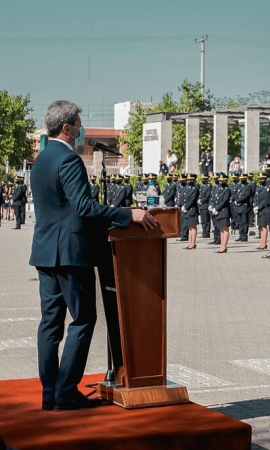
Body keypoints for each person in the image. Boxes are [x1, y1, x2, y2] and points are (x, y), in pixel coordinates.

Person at [30, 100, 156, 411]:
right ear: (67, 127)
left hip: (45, 251)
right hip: (70, 252)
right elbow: (83, 208)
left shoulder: (42, 158)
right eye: (78, 122)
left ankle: (50, 392)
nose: (80, 127)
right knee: (84, 319)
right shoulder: (68, 159)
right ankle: (66, 391)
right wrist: (128, 214)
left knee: (50, 323)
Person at [211, 173, 232, 253]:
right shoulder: (217, 189)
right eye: (219, 181)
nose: (221, 182)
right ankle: (221, 245)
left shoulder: (227, 190)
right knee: (221, 229)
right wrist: (213, 207)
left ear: (226, 180)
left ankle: (224, 246)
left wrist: (217, 208)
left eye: (223, 181)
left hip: (224, 211)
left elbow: (224, 201)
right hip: (218, 212)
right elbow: (213, 198)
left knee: (225, 229)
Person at [181, 174, 199, 250]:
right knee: (189, 226)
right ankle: (190, 242)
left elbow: (192, 199)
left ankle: (193, 243)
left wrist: (186, 207)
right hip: (187, 209)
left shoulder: (195, 188)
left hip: (192, 209)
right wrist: (183, 205)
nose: (188, 181)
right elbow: (184, 197)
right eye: (187, 180)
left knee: (193, 227)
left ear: (193, 180)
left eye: (190, 180)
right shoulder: (188, 188)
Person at [234, 174, 253, 242]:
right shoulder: (239, 186)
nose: (241, 180)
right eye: (240, 179)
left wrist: (239, 201)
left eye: (243, 179)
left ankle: (244, 236)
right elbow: (236, 194)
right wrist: (236, 201)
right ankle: (240, 235)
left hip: (244, 206)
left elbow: (246, 196)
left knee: (244, 222)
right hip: (238, 206)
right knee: (239, 222)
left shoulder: (248, 187)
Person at [254, 174, 269, 250]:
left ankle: (264, 243)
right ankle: (261, 243)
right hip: (259, 210)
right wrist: (255, 206)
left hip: (264, 209)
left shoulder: (267, 188)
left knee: (264, 226)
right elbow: (255, 198)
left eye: (263, 179)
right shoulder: (258, 187)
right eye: (260, 179)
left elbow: (265, 200)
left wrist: (259, 206)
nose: (261, 180)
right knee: (261, 227)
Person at [198, 175, 212, 239]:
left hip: (205, 205)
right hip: (201, 205)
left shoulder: (208, 186)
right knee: (203, 220)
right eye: (202, 179)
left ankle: (207, 233)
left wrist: (201, 200)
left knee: (206, 220)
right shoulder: (202, 186)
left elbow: (207, 195)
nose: (203, 180)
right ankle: (204, 232)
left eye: (204, 179)